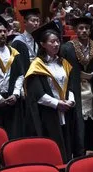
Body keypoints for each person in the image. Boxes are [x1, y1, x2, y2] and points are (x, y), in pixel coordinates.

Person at [24, 22, 83, 160]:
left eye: (57, 41)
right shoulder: (37, 65)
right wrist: (57, 104)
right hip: (48, 113)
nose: (56, 44)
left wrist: (71, 100)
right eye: (52, 42)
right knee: (53, 148)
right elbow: (36, 93)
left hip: (66, 111)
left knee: (68, 145)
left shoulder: (63, 63)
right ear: (43, 44)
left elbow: (70, 86)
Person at [61, 15, 93, 153]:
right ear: (75, 30)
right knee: (78, 121)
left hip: (92, 89)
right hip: (75, 89)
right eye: (81, 28)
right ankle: (78, 150)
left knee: (92, 120)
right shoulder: (67, 48)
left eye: (86, 28)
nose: (84, 31)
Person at [11, 8, 40, 74]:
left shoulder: (40, 40)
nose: (36, 23)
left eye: (38, 21)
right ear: (25, 22)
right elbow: (14, 64)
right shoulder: (18, 41)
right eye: (33, 21)